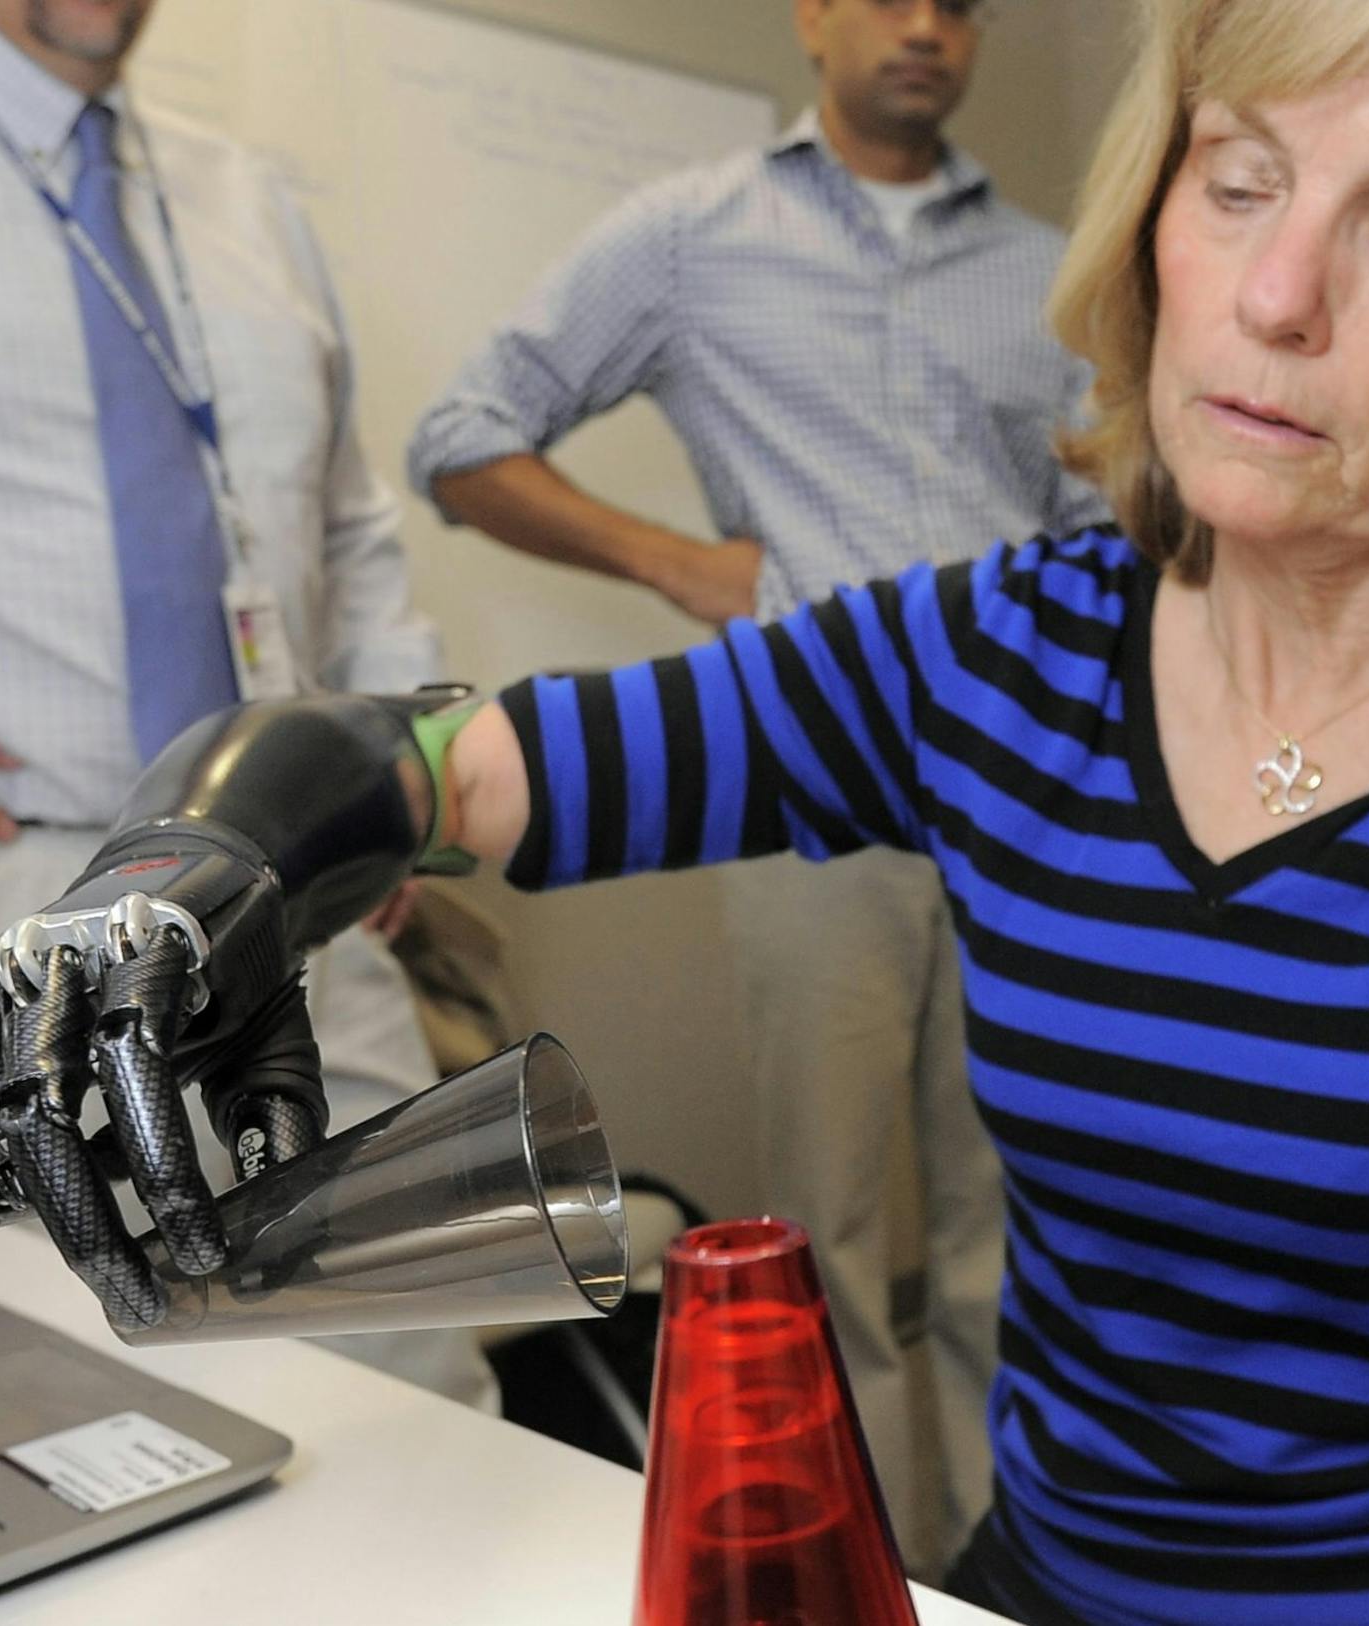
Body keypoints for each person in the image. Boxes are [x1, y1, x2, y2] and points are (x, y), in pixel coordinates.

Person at [405, 0, 1369, 1619]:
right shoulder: (1016, 648)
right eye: (1237, 184)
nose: (1277, 297)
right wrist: (274, 813)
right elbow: (511, 769)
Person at [0, 0, 495, 1411]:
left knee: (413, 1375)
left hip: (291, 894)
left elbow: (352, 531)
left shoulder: (242, 198)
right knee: (72, 1419)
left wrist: (398, 783)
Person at [406, 0, 1106, 1566]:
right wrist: (672, 558)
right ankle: (886, 1581)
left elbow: (1096, 520)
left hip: (1035, 805)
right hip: (816, 799)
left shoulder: (1052, 272)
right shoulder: (688, 237)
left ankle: (1026, 1579)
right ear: (813, 18)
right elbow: (459, 435)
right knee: (838, 1236)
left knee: (1029, 1232)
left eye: (958, 5)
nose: (924, 28)